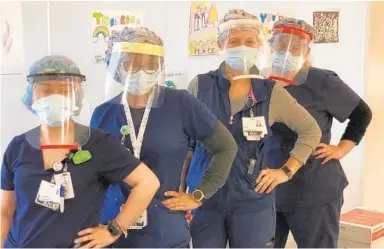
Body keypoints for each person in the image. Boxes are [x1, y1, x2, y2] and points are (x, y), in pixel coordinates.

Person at [177, 9, 322, 248]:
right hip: (203, 198)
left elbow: (310, 130)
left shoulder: (270, 91)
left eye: (249, 42)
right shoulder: (200, 86)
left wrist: (285, 171)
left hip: (252, 203)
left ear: (258, 45)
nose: (242, 47)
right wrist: (182, 189)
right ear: (220, 43)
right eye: (234, 41)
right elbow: (188, 145)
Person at [91, 27, 237, 248]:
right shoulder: (103, 114)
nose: (141, 71)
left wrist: (199, 194)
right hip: (113, 228)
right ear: (116, 66)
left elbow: (226, 147)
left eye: (150, 65)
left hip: (164, 228)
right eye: (132, 63)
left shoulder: (180, 103)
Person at [0, 55, 160, 248]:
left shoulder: (98, 144)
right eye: (46, 90)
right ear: (32, 95)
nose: (55, 97)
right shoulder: (18, 148)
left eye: (64, 90)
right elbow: (5, 210)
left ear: (77, 95)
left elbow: (147, 182)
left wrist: (113, 230)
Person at [262, 18, 373, 248]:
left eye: (295, 48)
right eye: (282, 46)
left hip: (314, 188)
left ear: (307, 51)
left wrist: (341, 149)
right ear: (271, 46)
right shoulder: (258, 82)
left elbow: (362, 114)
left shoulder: (321, 82)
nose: (287, 52)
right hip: (267, 187)